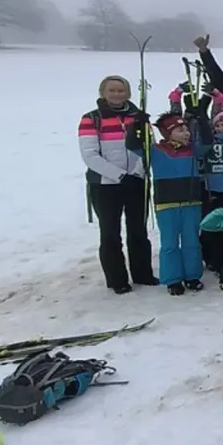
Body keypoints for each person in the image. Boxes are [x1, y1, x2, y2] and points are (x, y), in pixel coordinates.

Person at [78, 75, 157, 294]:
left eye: (121, 90)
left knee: (138, 230)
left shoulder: (138, 117)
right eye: (112, 90)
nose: (117, 94)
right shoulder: (91, 119)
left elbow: (149, 147)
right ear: (103, 93)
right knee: (110, 233)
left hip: (137, 181)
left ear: (128, 93)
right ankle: (117, 279)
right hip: (105, 185)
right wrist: (120, 176)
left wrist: (138, 171)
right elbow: (90, 155)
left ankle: (143, 273)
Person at [128, 113, 205, 295]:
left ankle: (192, 276)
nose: (186, 133)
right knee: (170, 243)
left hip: (191, 202)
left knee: (192, 241)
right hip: (166, 204)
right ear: (167, 133)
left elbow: (208, 142)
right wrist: (136, 126)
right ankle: (173, 279)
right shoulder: (155, 150)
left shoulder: (194, 149)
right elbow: (132, 145)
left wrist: (201, 118)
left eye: (186, 129)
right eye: (180, 130)